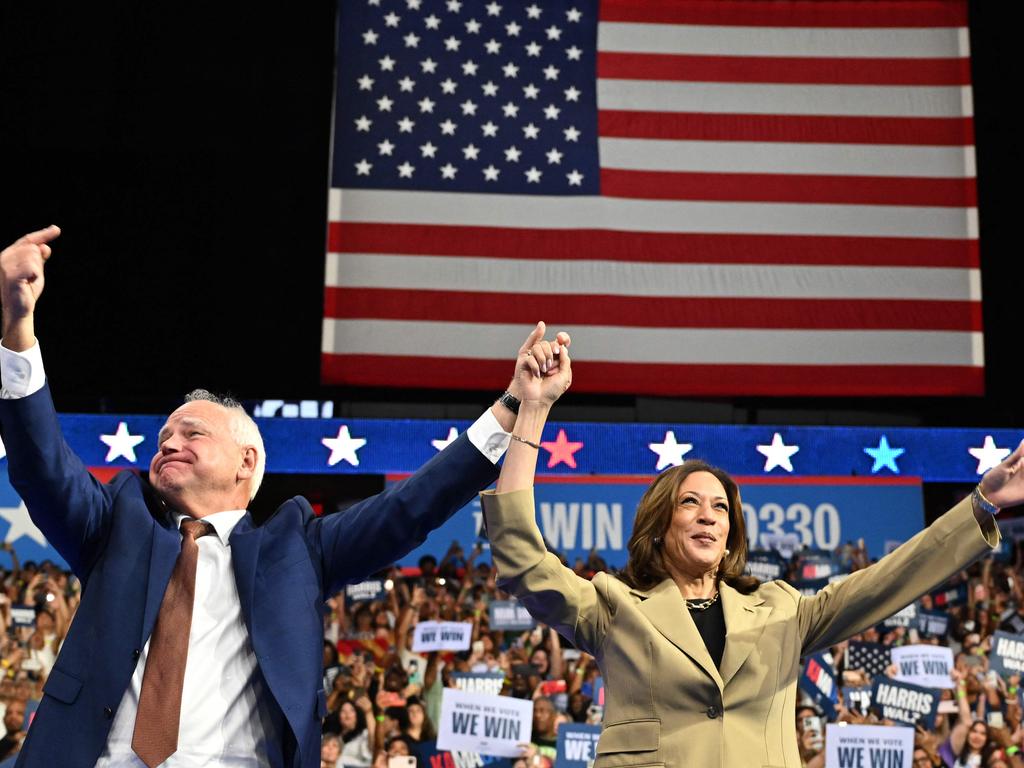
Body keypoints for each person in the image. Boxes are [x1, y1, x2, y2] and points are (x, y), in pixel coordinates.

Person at [0, 226, 561, 768]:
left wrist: (514, 403)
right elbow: (40, 465)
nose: (169, 443)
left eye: (192, 433)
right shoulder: (114, 526)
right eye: (164, 438)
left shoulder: (299, 550)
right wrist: (18, 327)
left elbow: (412, 506)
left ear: (248, 461)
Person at [479, 327, 1024, 767]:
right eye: (690, 503)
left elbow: (885, 582)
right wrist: (532, 409)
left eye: (720, 508)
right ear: (659, 524)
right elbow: (523, 559)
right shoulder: (614, 608)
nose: (709, 516)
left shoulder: (783, 611)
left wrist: (981, 503)